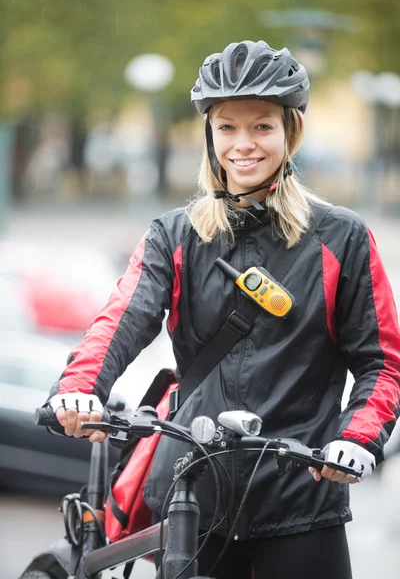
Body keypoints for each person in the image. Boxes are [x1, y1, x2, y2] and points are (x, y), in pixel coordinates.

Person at [47, 40, 400, 578]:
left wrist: (356, 438)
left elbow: (382, 361)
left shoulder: (340, 237)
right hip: (193, 497)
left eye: (262, 126)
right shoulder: (175, 235)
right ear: (210, 136)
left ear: (289, 133)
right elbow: (123, 319)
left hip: (301, 498)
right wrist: (80, 387)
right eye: (227, 128)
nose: (244, 144)